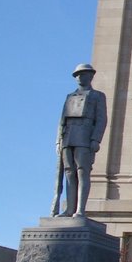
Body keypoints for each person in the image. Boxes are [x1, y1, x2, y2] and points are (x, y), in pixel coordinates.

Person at [53, 63, 108, 217]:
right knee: (69, 172)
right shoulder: (70, 96)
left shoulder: (97, 96)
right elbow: (61, 121)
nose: (79, 77)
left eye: (83, 74)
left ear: (91, 76)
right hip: (68, 136)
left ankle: (80, 209)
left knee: (82, 172)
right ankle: (70, 208)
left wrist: (95, 139)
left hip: (85, 136)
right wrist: (58, 141)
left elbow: (101, 119)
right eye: (77, 75)